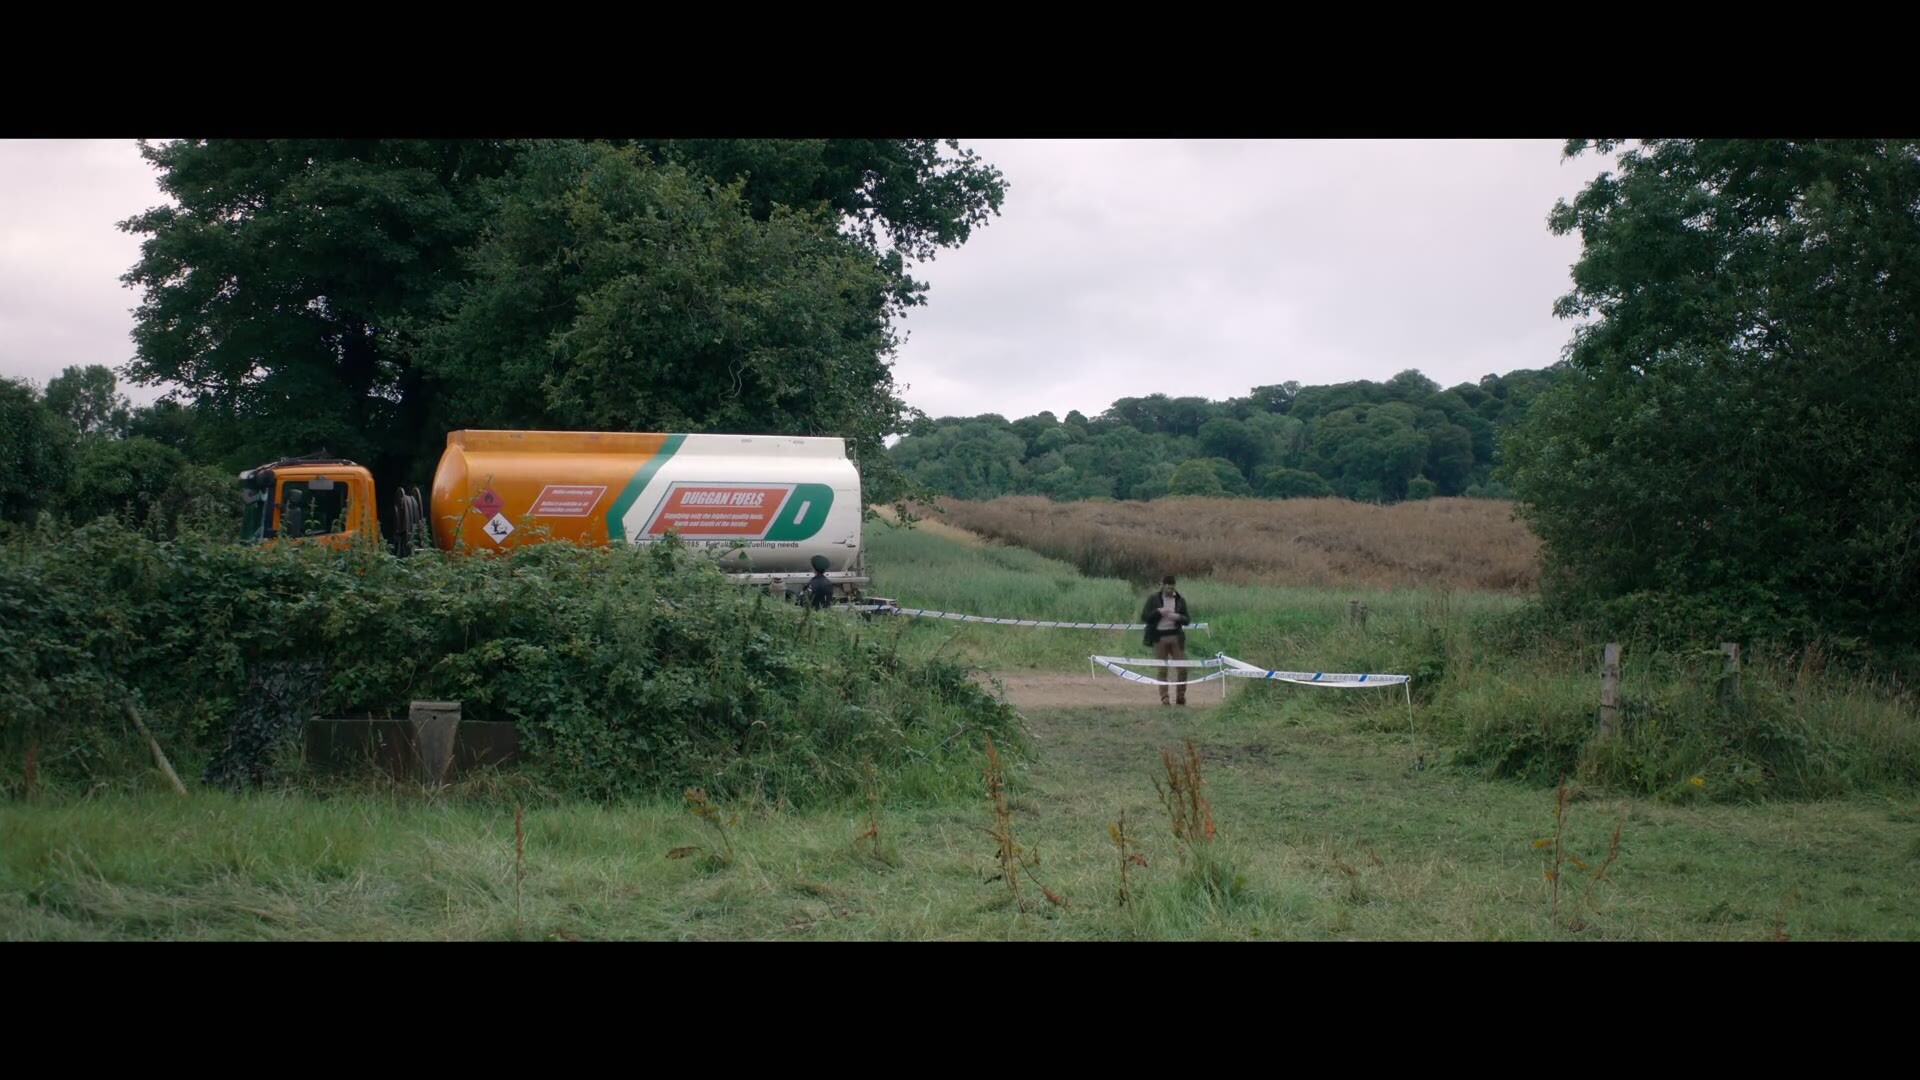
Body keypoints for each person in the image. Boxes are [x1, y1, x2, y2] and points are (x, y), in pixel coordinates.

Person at [1139, 575, 1192, 706]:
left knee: (1183, 668)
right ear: (1163, 586)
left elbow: (1187, 620)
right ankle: (1164, 697)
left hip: (1176, 637)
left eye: (1172, 587)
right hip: (1159, 638)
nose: (1170, 590)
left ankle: (1180, 696)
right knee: (1162, 669)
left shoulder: (1180, 600)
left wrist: (1178, 617)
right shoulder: (1153, 599)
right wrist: (1158, 612)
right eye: (1168, 587)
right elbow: (1145, 617)